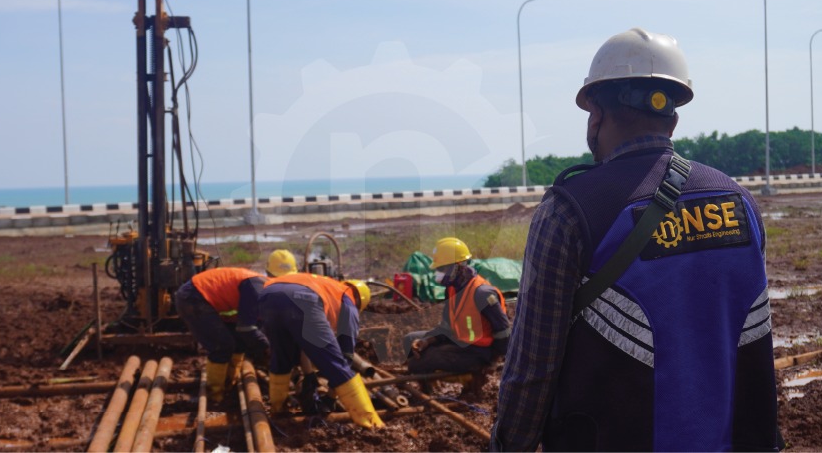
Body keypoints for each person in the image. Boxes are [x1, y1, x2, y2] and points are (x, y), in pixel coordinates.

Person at [492, 28, 780, 451]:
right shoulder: (740, 203)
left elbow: (532, 368)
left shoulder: (569, 213)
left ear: (595, 114)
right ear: (674, 118)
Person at [258, 272, 383, 429]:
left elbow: (303, 340)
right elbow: (346, 355)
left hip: (268, 294)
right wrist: (331, 397)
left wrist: (309, 375)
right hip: (303, 297)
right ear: (360, 303)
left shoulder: (330, 287)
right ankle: (370, 421)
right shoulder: (348, 300)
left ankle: (278, 409)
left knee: (282, 357)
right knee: (336, 363)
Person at [173, 249, 298, 404]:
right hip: (194, 297)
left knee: (238, 343)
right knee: (222, 346)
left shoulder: (264, 289)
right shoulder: (256, 287)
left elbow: (255, 326)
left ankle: (228, 386)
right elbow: (246, 328)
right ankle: (214, 397)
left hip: (201, 297)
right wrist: (266, 349)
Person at [402, 237, 511, 394]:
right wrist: (428, 340)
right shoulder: (452, 289)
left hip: (478, 352)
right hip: (459, 341)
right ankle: (430, 385)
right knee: (409, 341)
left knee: (417, 364)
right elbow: (447, 326)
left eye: (443, 269)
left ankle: (466, 383)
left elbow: (503, 331)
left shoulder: (482, 293)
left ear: (458, 267)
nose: (439, 274)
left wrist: (493, 362)